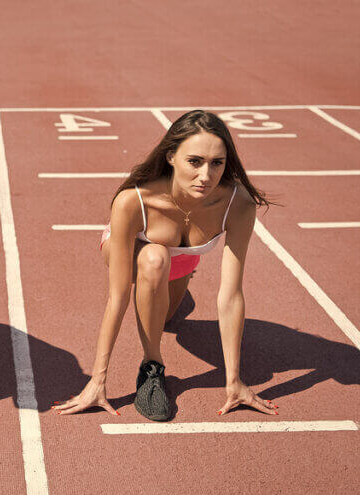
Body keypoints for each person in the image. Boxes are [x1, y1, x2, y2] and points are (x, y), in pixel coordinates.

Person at [53, 110, 279, 421]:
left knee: (167, 320)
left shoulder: (237, 203)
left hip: (184, 257)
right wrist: (97, 380)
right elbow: (118, 297)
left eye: (217, 163)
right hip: (138, 254)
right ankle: (152, 369)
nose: (206, 176)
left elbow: (231, 295)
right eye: (194, 161)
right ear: (171, 156)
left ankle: (168, 294)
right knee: (154, 257)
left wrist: (235, 381)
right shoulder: (135, 201)